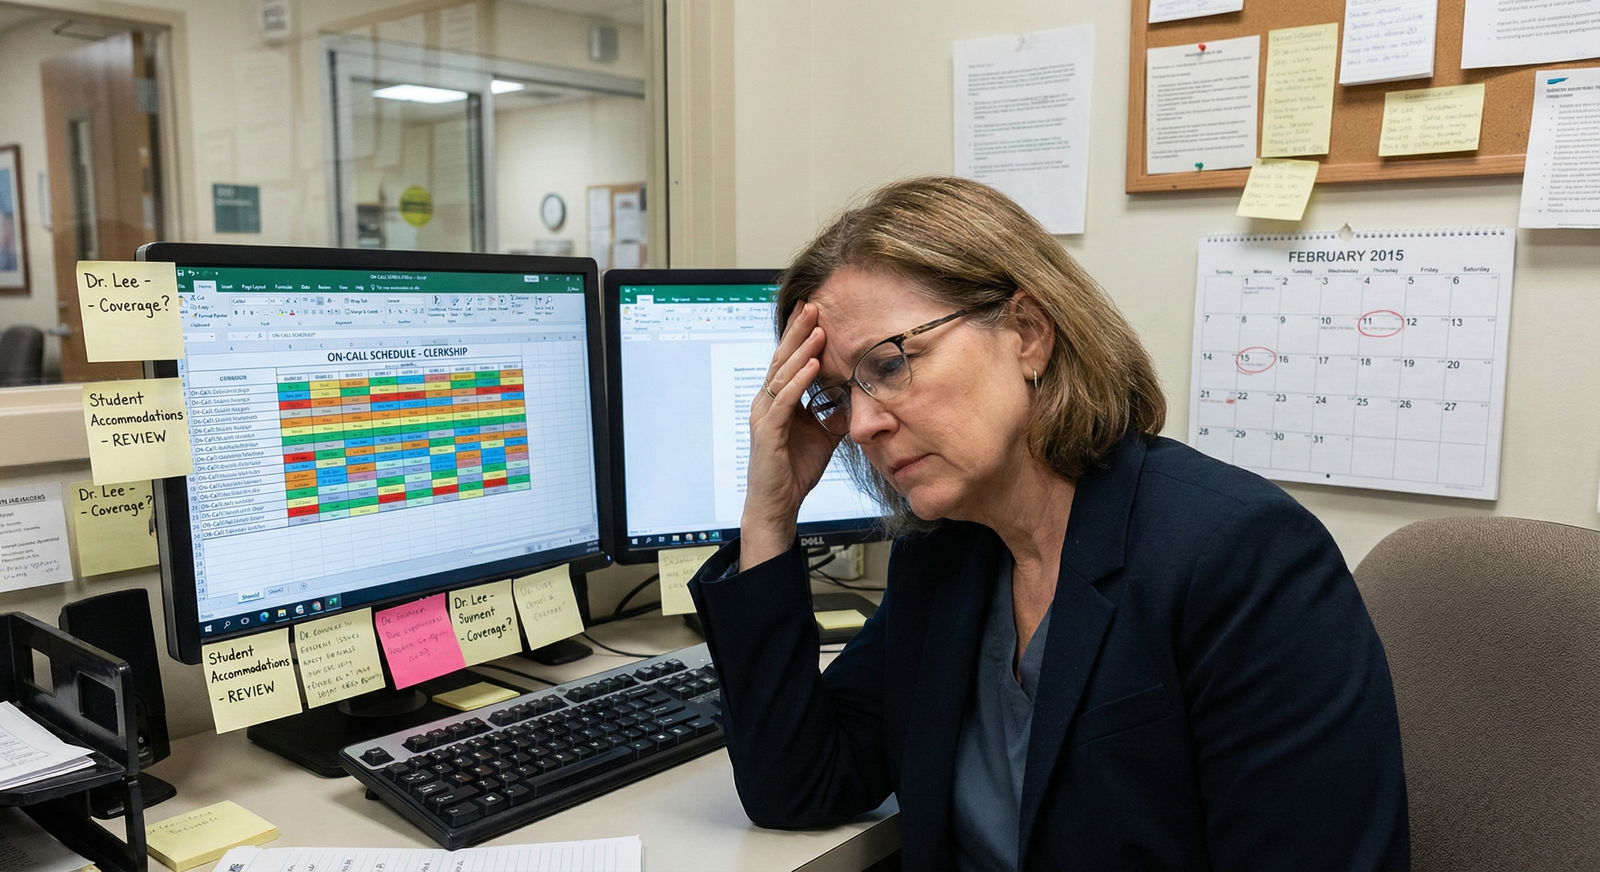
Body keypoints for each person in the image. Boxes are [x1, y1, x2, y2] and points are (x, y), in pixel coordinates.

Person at [687, 176, 1409, 871]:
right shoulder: (948, 555)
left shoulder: (1243, 557)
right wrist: (770, 513)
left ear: (1027, 332)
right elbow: (800, 785)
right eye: (840, 396)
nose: (864, 425)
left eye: (891, 363)